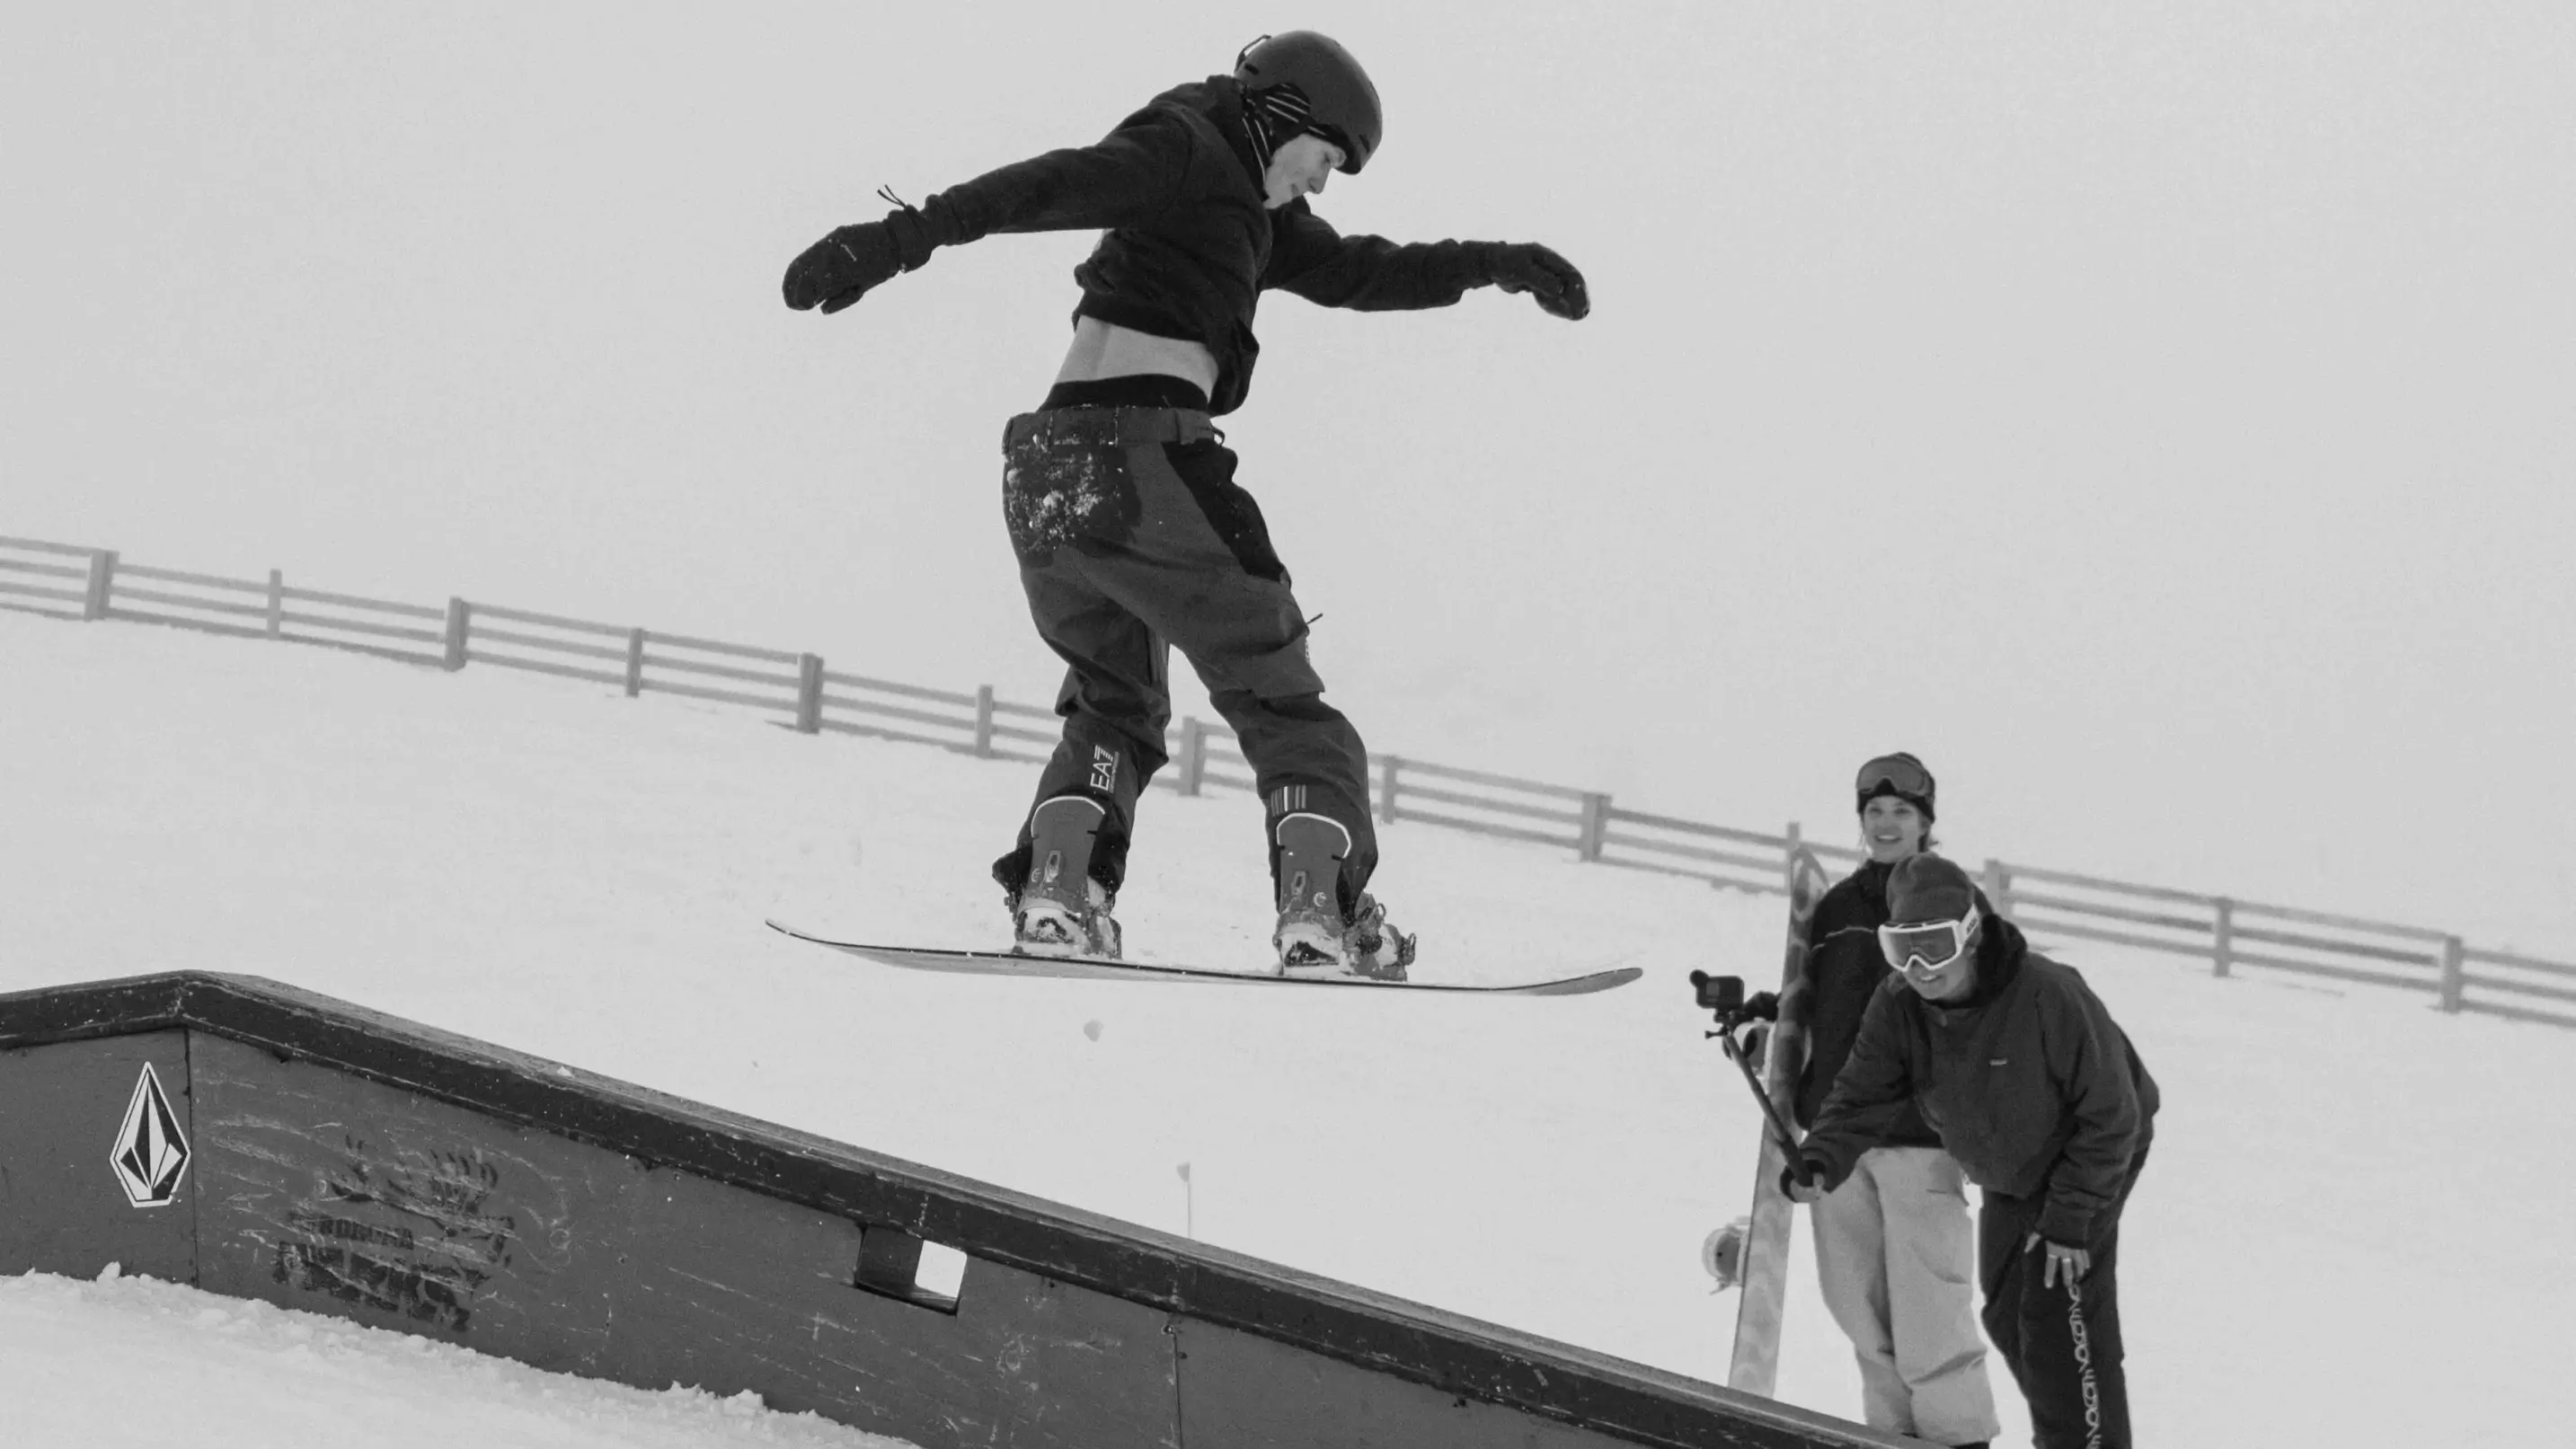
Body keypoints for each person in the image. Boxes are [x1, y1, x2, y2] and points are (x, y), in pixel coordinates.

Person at [782, 31, 1588, 977]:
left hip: (1046, 476)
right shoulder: (1188, 149)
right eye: (1323, 158)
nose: (1321, 184)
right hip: (1147, 459)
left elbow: (1364, 272)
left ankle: (1061, 886)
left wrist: (1498, 261)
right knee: (1274, 683)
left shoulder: (1247, 206)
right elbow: (1050, 182)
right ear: (1281, 116)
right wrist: (898, 238)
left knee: (1115, 705)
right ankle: (1321, 911)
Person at [1789, 853, 2158, 1449]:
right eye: (1900, 947)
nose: (1918, 966)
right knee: (2006, 1313)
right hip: (2010, 1169)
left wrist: (2069, 1220)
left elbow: (2112, 1114)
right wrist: (1822, 1158)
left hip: (2089, 1154)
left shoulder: (2046, 993)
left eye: (1932, 945)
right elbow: (1861, 1094)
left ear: (1969, 934)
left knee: (2052, 1308)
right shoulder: (1899, 1002)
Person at [1793, 755, 2000, 1448]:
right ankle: (1889, 1439)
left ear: (1924, 824)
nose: (1885, 824)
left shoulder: (1954, 903)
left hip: (1921, 1139)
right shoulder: (1835, 909)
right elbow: (1822, 1002)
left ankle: (1957, 1440)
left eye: (1901, 813)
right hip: (1837, 1140)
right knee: (1861, 1311)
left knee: (1929, 1311)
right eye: (1874, 812)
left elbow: (1986, 1009)